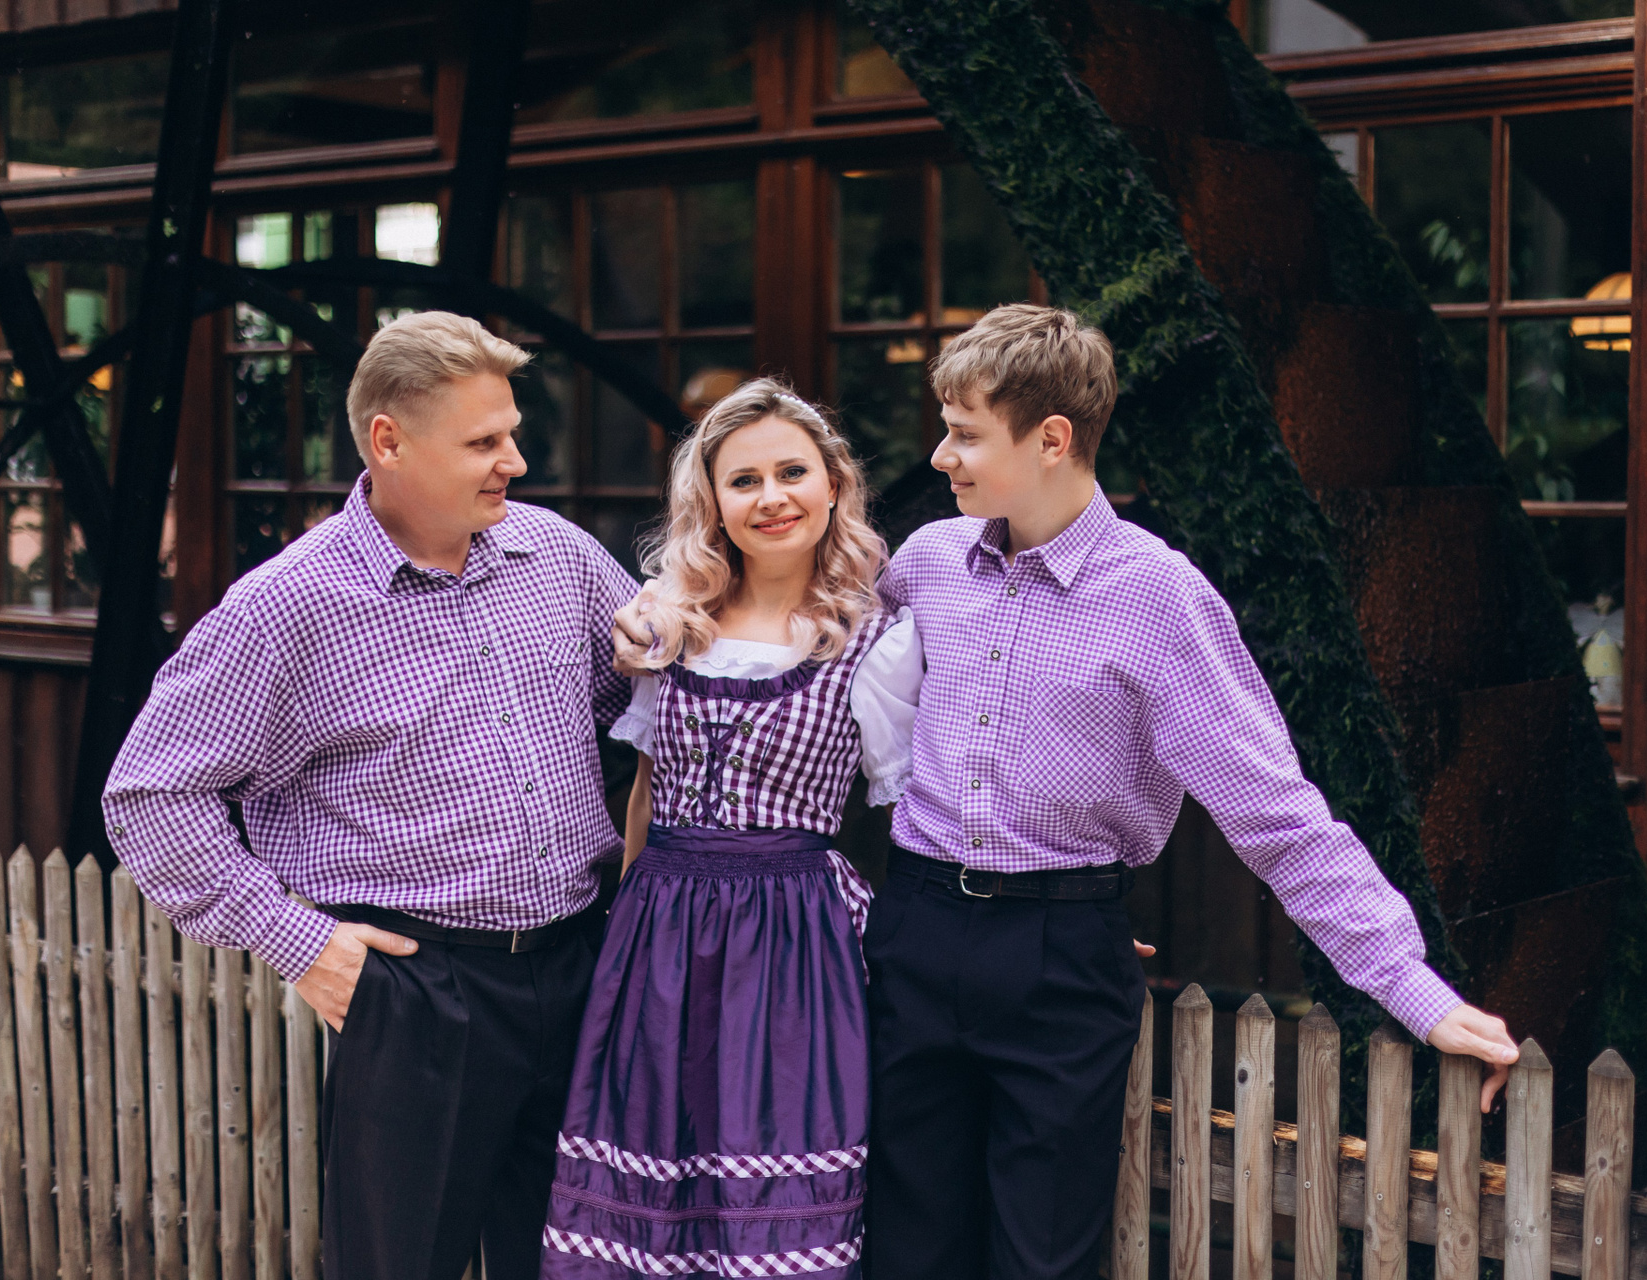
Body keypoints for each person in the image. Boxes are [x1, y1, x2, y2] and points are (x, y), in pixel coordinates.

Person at [862, 304, 1520, 1279]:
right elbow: (804, 653)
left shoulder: (1159, 597)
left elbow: (1278, 815)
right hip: (915, 931)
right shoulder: (925, 564)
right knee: (904, 1253)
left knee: (1040, 1262)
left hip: (1059, 960)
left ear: (1051, 438)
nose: (940, 455)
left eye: (964, 434)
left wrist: (1412, 989)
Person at [103, 311, 638, 1280]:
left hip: (581, 965)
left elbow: (643, 700)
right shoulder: (286, 606)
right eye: (483, 442)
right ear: (389, 441)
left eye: (512, 433)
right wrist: (299, 941)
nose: (514, 462)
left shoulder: (557, 555)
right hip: (418, 989)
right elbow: (151, 793)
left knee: (584, 1264)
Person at [540, 379, 920, 1280]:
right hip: (658, 934)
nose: (771, 497)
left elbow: (912, 812)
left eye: (793, 472)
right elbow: (644, 791)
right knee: (649, 1175)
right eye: (744, 480)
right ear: (711, 500)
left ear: (834, 484)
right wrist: (623, 931)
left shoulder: (874, 640)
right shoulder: (672, 623)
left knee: (769, 1171)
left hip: (796, 941)